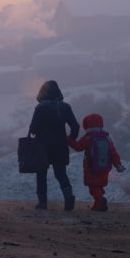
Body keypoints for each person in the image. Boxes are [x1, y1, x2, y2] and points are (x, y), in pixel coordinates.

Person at [29, 80, 80, 211]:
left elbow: (33, 129)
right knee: (60, 173)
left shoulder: (40, 108)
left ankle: (42, 203)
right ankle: (68, 195)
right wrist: (70, 138)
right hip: (60, 145)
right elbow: (75, 126)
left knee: (41, 174)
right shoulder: (65, 107)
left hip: (42, 147)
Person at [67, 113, 125, 211]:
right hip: (105, 167)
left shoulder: (88, 137)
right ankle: (99, 202)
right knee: (99, 185)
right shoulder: (107, 138)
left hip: (91, 167)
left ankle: (100, 201)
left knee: (93, 185)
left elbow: (78, 147)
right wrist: (118, 164)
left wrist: (69, 140)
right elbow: (113, 152)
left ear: (87, 125)